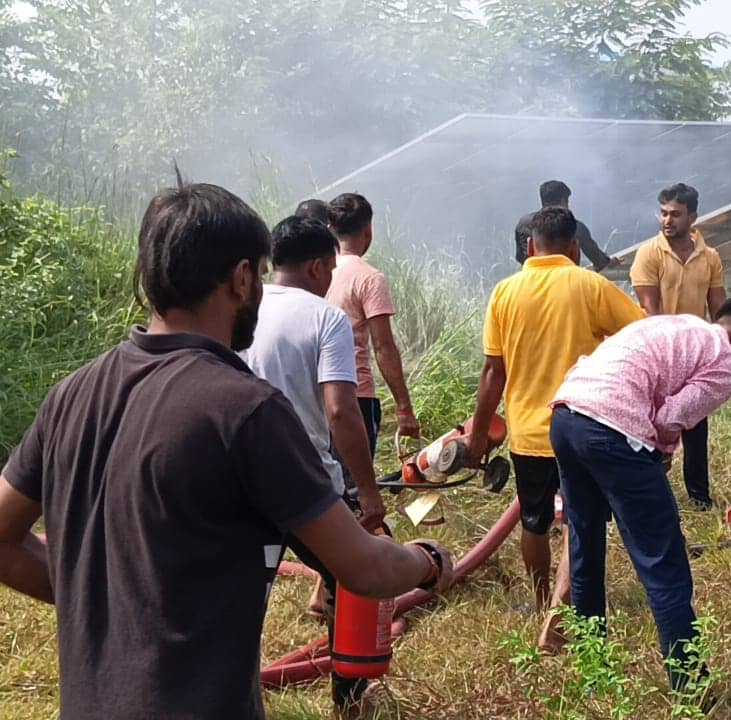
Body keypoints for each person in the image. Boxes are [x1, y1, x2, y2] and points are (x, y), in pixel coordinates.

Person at [0, 183, 452, 720]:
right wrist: (426, 562)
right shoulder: (245, 410)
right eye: (257, 275)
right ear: (241, 279)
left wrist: (101, 593)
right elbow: (363, 569)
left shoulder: (72, 394)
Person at [549, 297, 731, 686]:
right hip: (613, 426)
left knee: (585, 547)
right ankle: (689, 686)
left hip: (566, 415)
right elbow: (671, 417)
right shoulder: (723, 360)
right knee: (663, 564)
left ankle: (592, 667)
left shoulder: (678, 326)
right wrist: (661, 450)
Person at [469, 206, 644, 651]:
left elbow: (493, 370)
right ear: (575, 248)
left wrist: (477, 435)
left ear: (530, 246)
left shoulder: (505, 292)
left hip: (528, 430)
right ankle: (559, 617)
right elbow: (643, 335)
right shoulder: (590, 285)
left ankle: (543, 599)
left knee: (534, 521)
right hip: (582, 425)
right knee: (579, 521)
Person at [240, 216, 392, 714]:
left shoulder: (240, 307)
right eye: (329, 268)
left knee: (242, 599)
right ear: (317, 266)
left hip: (241, 485)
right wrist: (368, 494)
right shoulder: (323, 317)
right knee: (352, 576)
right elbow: (341, 410)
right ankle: (349, 701)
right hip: (305, 488)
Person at [629, 183, 726, 510]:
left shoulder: (709, 257)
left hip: (697, 355)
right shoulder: (649, 253)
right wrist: (663, 354)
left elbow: (720, 311)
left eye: (675, 214)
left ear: (693, 217)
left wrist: (722, 352)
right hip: (659, 352)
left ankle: (699, 497)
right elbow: (649, 309)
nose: (667, 220)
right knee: (653, 424)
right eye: (664, 213)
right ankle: (651, 497)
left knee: (696, 425)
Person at [325, 192, 420, 453]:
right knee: (355, 484)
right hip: (356, 396)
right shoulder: (369, 278)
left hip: (317, 394)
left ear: (330, 229)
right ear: (368, 230)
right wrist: (404, 408)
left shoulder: (316, 273)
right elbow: (383, 346)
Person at [514, 180, 614, 271]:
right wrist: (608, 262)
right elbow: (598, 259)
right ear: (563, 201)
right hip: (567, 283)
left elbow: (520, 257)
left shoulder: (524, 223)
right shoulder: (574, 226)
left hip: (532, 283)